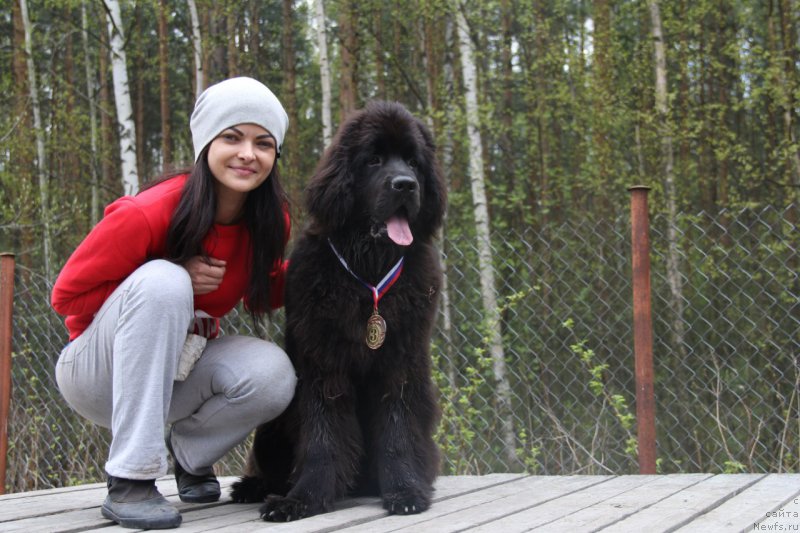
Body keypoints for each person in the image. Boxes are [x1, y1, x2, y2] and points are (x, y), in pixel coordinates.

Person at [50, 77, 297, 529]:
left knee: (274, 372)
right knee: (163, 282)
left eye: (263, 143)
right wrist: (177, 275)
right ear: (206, 142)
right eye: (232, 137)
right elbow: (66, 296)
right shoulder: (150, 211)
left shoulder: (269, 219)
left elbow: (264, 296)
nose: (248, 153)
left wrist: (336, 265)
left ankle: (189, 456)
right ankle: (130, 480)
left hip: (178, 374)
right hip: (96, 372)